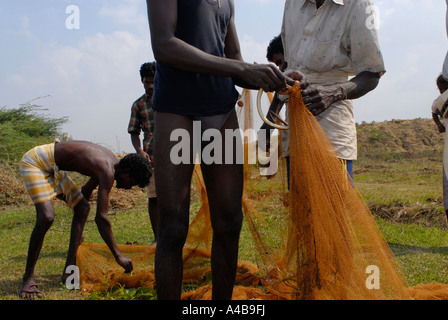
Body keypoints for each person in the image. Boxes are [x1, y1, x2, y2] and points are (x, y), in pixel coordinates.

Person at [146, 0, 287, 300]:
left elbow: (233, 58)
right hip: (176, 109)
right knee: (171, 226)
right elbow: (164, 44)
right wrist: (241, 67)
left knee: (229, 220)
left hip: (218, 109)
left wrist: (270, 77)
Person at [18, 140, 152, 299]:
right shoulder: (107, 170)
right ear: (127, 171)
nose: (130, 187)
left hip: (53, 167)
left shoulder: (110, 163)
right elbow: (101, 218)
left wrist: (79, 226)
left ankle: (69, 272)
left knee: (83, 207)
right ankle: (28, 278)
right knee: (46, 217)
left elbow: (86, 191)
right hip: (36, 162)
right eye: (133, 182)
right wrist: (118, 255)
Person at [281, 0, 386, 182]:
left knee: (336, 201)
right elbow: (288, 63)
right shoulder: (292, 3)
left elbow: (371, 74)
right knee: (301, 199)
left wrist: (333, 93)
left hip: (333, 125)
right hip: (295, 122)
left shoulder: (359, 5)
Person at [128, 62, 158, 244]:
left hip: (174, 157)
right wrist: (139, 150)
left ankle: (175, 236)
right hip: (151, 158)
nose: (151, 86)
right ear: (142, 82)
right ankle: (158, 237)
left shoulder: (171, 99)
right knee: (154, 198)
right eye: (147, 82)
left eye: (154, 82)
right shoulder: (138, 105)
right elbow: (133, 132)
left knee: (174, 199)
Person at [431, 75, 448, 222]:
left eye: (445, 88)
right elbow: (434, 112)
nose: (442, 91)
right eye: (440, 89)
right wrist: (439, 125)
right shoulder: (441, 101)